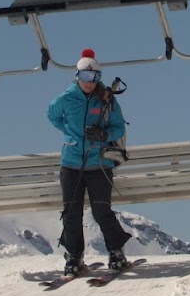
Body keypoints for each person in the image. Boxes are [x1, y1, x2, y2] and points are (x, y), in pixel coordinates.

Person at [47, 48, 132, 274]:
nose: (90, 82)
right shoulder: (66, 99)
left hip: (99, 163)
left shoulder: (106, 100)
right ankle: (74, 255)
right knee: (71, 210)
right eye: (85, 76)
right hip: (71, 163)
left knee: (101, 210)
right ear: (77, 75)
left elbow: (118, 127)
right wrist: (69, 133)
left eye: (95, 77)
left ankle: (116, 251)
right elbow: (52, 114)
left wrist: (104, 136)